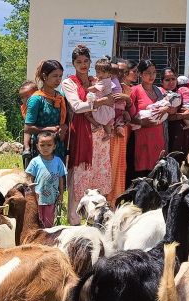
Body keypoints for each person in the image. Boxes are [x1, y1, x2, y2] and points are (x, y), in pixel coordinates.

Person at [62, 45, 121, 224]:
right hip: (82, 132)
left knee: (98, 175)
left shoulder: (97, 79)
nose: (83, 65)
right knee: (80, 176)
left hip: (100, 133)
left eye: (86, 61)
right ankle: (74, 221)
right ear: (73, 63)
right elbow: (77, 107)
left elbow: (115, 94)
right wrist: (103, 101)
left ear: (90, 61)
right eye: (78, 62)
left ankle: (96, 220)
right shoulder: (69, 82)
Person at [129, 59, 170, 177]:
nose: (151, 76)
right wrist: (141, 122)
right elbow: (127, 115)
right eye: (147, 72)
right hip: (142, 136)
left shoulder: (160, 91)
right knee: (142, 173)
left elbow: (170, 108)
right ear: (140, 74)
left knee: (157, 170)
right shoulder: (135, 91)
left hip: (158, 136)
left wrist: (166, 109)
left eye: (154, 72)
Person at [25, 132, 67, 228]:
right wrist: (31, 193)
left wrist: (61, 194)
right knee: (37, 220)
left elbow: (61, 178)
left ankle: (47, 238)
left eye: (49, 145)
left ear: (54, 146)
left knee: (49, 221)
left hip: (51, 197)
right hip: (37, 197)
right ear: (37, 146)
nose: (45, 148)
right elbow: (29, 177)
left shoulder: (58, 161)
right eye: (42, 145)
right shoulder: (35, 161)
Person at [108, 58, 134, 203]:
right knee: (108, 169)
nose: (120, 75)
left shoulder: (127, 89)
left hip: (122, 133)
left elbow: (133, 113)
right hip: (106, 132)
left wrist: (128, 100)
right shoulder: (105, 84)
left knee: (119, 168)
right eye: (117, 71)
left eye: (124, 72)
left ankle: (115, 202)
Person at [86, 58, 117, 139]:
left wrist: (85, 88)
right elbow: (97, 81)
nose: (100, 74)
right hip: (105, 105)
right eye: (98, 72)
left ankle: (98, 126)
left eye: (103, 72)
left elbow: (94, 89)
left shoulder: (104, 82)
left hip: (103, 106)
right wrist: (93, 79)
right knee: (106, 122)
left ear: (109, 73)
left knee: (88, 115)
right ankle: (108, 133)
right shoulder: (106, 79)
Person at [18, 80, 38, 167]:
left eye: (27, 96)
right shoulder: (24, 107)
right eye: (22, 97)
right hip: (30, 131)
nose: (24, 99)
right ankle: (26, 147)